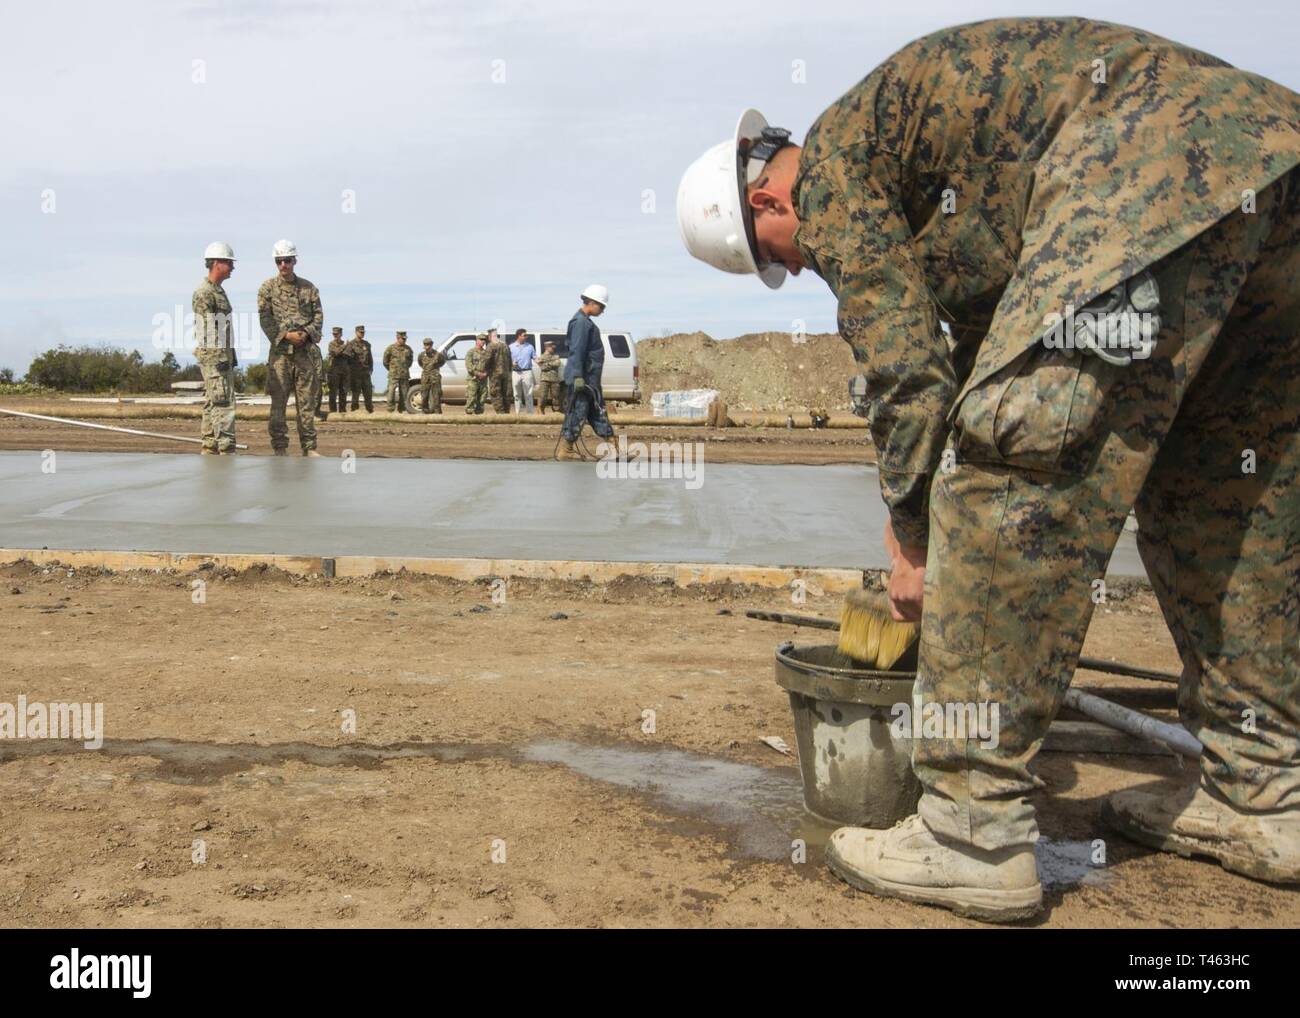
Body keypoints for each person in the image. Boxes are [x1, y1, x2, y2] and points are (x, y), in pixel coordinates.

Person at [677, 16, 1300, 919]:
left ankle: (972, 830)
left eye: (782, 260)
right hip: (1272, 178)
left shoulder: (839, 162)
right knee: (1224, 494)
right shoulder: (944, 186)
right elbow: (966, 349)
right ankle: (1265, 793)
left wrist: (914, 536)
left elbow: (904, 373)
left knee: (1008, 465)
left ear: (768, 204)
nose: (807, 269)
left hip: (1152, 173)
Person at [257, 239, 323, 457]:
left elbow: (318, 317)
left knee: (306, 404)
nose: (283, 265)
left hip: (305, 354)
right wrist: (286, 336)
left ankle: (309, 447)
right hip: (280, 356)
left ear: (294, 261)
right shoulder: (267, 288)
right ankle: (280, 447)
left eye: (287, 260)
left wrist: (305, 335)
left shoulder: (309, 288)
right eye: (279, 261)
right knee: (278, 404)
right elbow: (265, 319)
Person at [192, 241, 238, 454]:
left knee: (213, 402)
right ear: (217, 263)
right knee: (224, 402)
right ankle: (225, 447)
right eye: (229, 263)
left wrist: (230, 355)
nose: (232, 268)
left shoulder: (218, 291)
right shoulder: (205, 293)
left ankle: (209, 445)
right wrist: (220, 358)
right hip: (214, 358)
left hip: (222, 355)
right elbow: (207, 328)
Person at [558, 285, 614, 460]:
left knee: (597, 412)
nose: (603, 311)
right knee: (578, 412)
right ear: (591, 302)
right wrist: (577, 377)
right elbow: (577, 351)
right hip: (583, 379)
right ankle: (565, 450)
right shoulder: (581, 323)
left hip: (590, 379)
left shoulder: (586, 323)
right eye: (601, 306)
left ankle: (614, 447)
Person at [344, 325, 374, 413]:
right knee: (355, 394)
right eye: (360, 332)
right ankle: (354, 412)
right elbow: (346, 358)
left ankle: (370, 411)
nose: (362, 334)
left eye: (363, 332)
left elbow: (370, 358)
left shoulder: (367, 344)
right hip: (355, 373)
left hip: (365, 373)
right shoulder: (351, 344)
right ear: (356, 332)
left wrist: (371, 368)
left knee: (368, 393)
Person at [383, 331, 413, 413]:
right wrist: (391, 369)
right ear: (397, 338)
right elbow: (385, 361)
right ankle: (390, 410)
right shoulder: (390, 348)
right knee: (391, 393)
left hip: (404, 375)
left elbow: (410, 361)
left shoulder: (408, 349)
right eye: (403, 339)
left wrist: (405, 368)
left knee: (404, 394)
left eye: (405, 339)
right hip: (393, 375)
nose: (404, 340)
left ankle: (402, 410)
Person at [323, 327, 351, 415]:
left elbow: (349, 355)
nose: (335, 336)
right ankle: (333, 411)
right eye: (334, 334)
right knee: (333, 392)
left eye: (337, 334)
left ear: (341, 334)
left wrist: (342, 351)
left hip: (344, 371)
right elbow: (335, 353)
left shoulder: (346, 344)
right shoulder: (331, 344)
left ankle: (342, 411)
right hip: (333, 371)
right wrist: (344, 347)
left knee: (343, 391)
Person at [463, 332, 491, 415]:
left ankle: (479, 415)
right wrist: (478, 374)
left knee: (482, 398)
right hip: (473, 379)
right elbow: (469, 366)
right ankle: (468, 415)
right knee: (471, 397)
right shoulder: (471, 352)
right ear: (477, 341)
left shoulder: (486, 353)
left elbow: (489, 366)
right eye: (481, 339)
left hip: (483, 380)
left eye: (484, 340)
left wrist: (486, 373)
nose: (483, 341)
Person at [509, 328, 536, 414]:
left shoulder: (530, 347)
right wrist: (512, 363)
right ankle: (519, 414)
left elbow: (535, 357)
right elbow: (507, 360)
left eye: (526, 335)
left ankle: (530, 414)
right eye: (524, 335)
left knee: (528, 393)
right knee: (516, 394)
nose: (526, 337)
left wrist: (541, 361)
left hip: (527, 372)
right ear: (518, 336)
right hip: (515, 372)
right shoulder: (511, 347)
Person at [486, 328, 512, 413]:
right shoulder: (505, 345)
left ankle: (500, 413)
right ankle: (506, 411)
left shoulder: (491, 345)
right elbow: (510, 359)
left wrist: (484, 370)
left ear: (490, 336)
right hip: (506, 373)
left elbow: (487, 360)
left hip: (495, 374)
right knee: (506, 393)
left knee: (496, 393)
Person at [418, 338, 445, 414]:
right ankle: (425, 411)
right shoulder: (421, 355)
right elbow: (420, 363)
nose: (427, 346)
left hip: (435, 378)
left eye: (428, 344)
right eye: (425, 344)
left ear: (431, 345)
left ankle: (437, 412)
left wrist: (435, 368)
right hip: (425, 378)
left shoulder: (438, 355)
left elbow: (442, 362)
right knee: (424, 395)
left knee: (436, 395)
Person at [535, 340, 562, 414]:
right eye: (552, 347)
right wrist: (551, 364)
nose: (553, 348)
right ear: (547, 348)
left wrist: (546, 363)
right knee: (542, 397)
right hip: (544, 379)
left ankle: (556, 412)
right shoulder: (541, 357)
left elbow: (557, 364)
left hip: (554, 379)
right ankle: (541, 411)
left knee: (556, 397)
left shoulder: (556, 356)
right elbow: (542, 367)